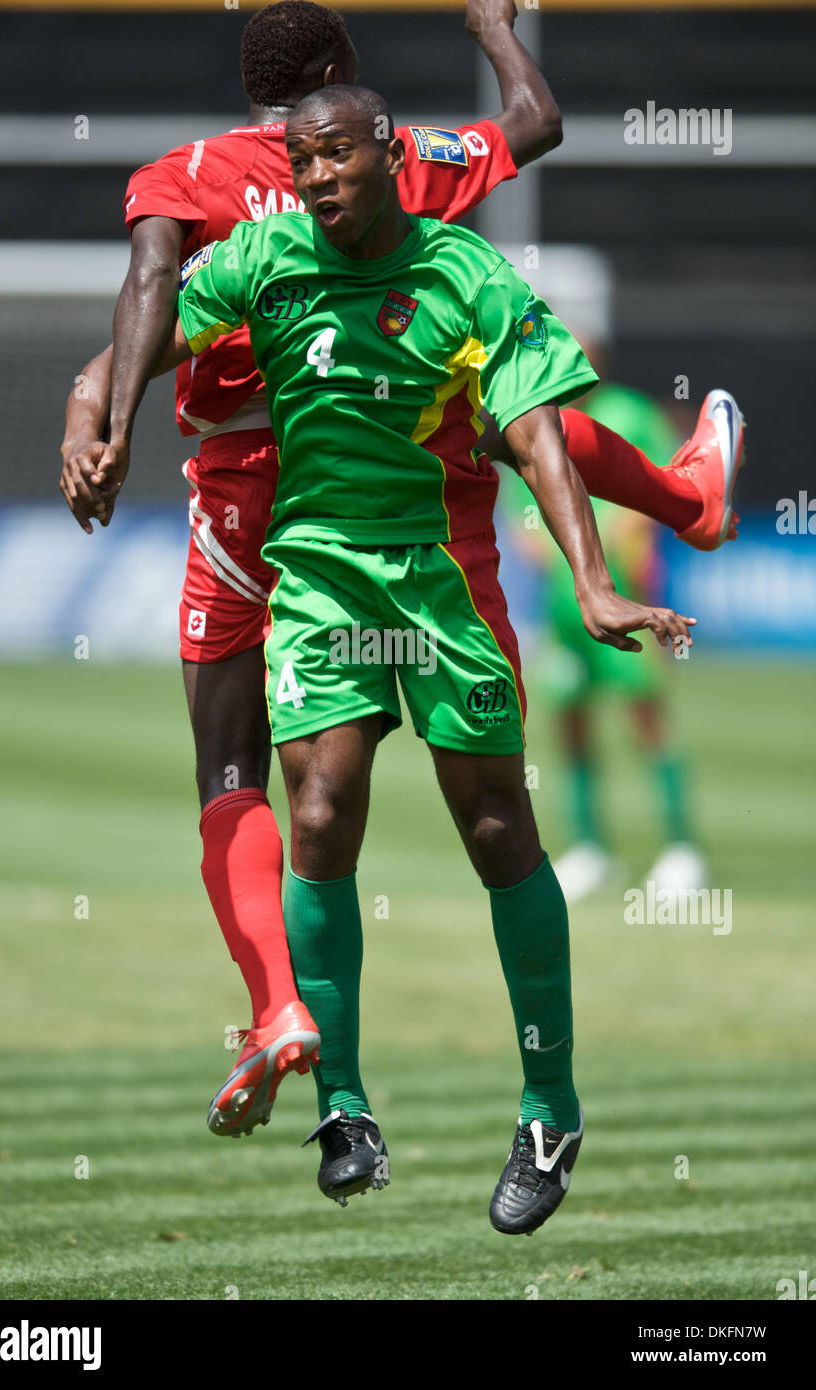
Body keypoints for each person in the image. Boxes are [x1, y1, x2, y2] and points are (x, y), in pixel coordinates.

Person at [60, 1, 743, 1150]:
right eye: (312, 153)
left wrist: (100, 414)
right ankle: (686, 497)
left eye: (339, 153)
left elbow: (145, 293)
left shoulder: (188, 176)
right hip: (387, 486)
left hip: (251, 487)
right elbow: (534, 121)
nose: (323, 175)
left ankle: (279, 1003)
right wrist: (490, 27)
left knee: (236, 769)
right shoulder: (407, 158)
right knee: (511, 416)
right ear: (333, 83)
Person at [497, 354, 710, 902]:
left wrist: (604, 552)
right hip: (563, 607)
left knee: (646, 717)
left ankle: (682, 850)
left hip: (630, 596)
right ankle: (591, 850)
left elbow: (660, 489)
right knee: (571, 721)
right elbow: (525, 515)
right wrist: (566, 559)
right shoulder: (531, 417)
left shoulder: (632, 413)